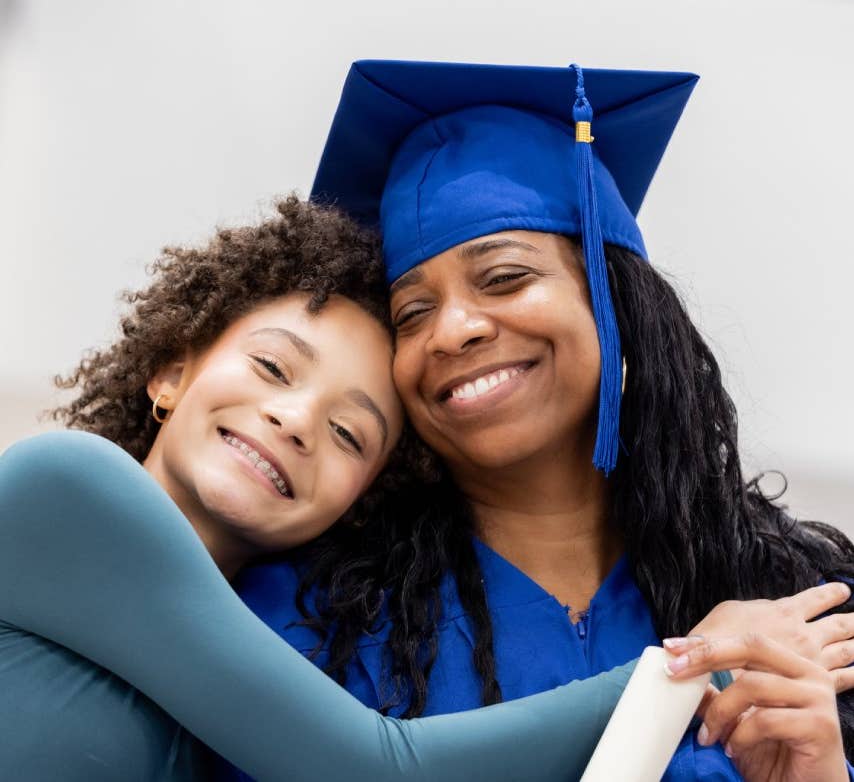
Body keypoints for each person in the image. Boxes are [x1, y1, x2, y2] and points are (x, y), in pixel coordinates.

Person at [233, 61, 854, 781]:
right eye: (412, 312)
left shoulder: (796, 603)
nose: (454, 329)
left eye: (505, 277)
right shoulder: (314, 619)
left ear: (614, 302)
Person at [0, 196, 762, 781]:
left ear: (359, 497)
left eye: (348, 435)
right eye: (273, 367)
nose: (296, 421)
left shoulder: (242, 665)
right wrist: (699, 664)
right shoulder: (68, 487)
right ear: (171, 371)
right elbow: (379, 767)